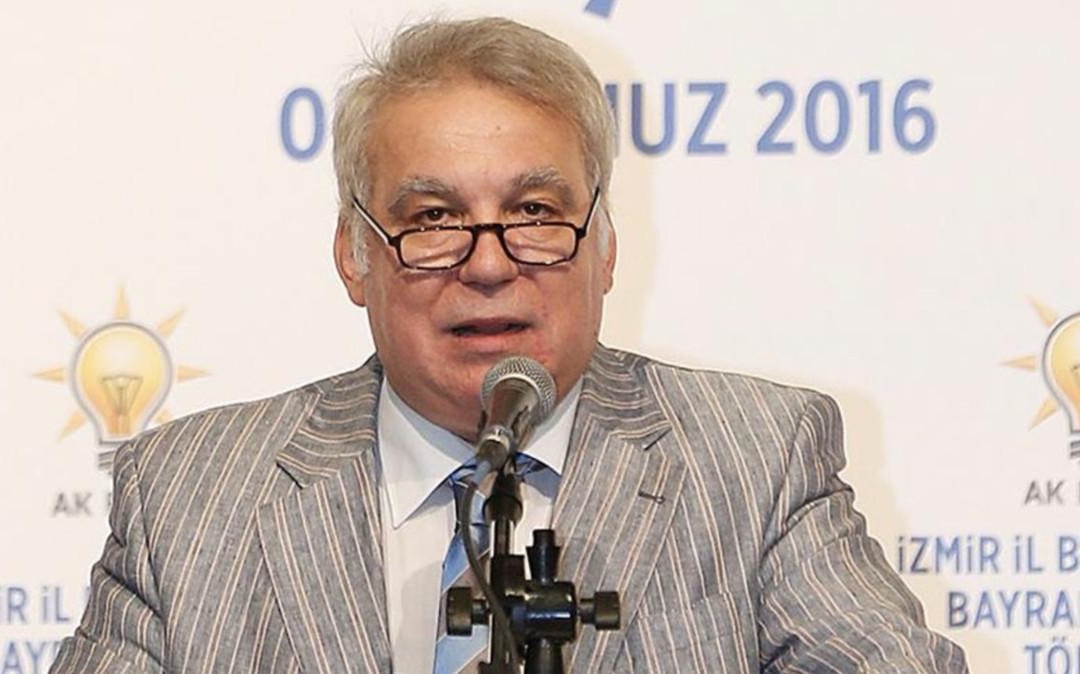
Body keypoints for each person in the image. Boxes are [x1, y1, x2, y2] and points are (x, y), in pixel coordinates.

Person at [50, 16, 968, 674]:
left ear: (604, 249)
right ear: (354, 255)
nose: (488, 265)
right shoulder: (190, 496)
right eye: (433, 218)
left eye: (534, 212)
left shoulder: (756, 460)